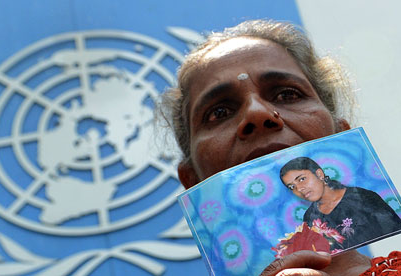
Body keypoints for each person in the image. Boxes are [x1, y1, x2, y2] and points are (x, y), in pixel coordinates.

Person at [159, 19, 399, 275]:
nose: (257, 113)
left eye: (287, 94)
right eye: (219, 112)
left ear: (340, 135)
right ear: (192, 180)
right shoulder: (311, 216)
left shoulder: (365, 201)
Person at [280, 156, 401, 251]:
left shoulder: (363, 198)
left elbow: (395, 235)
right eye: (292, 187)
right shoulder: (310, 217)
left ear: (319, 174)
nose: (299, 189)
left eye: (301, 179)